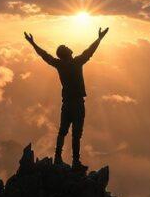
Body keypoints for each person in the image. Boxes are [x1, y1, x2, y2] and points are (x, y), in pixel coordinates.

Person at [24, 27, 109, 169]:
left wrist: (33, 44)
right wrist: (99, 38)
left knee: (63, 131)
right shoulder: (77, 62)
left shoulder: (60, 64)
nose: (69, 47)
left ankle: (58, 157)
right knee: (76, 134)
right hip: (77, 104)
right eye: (66, 47)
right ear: (66, 53)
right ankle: (75, 162)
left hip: (67, 104)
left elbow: (45, 55)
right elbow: (90, 51)